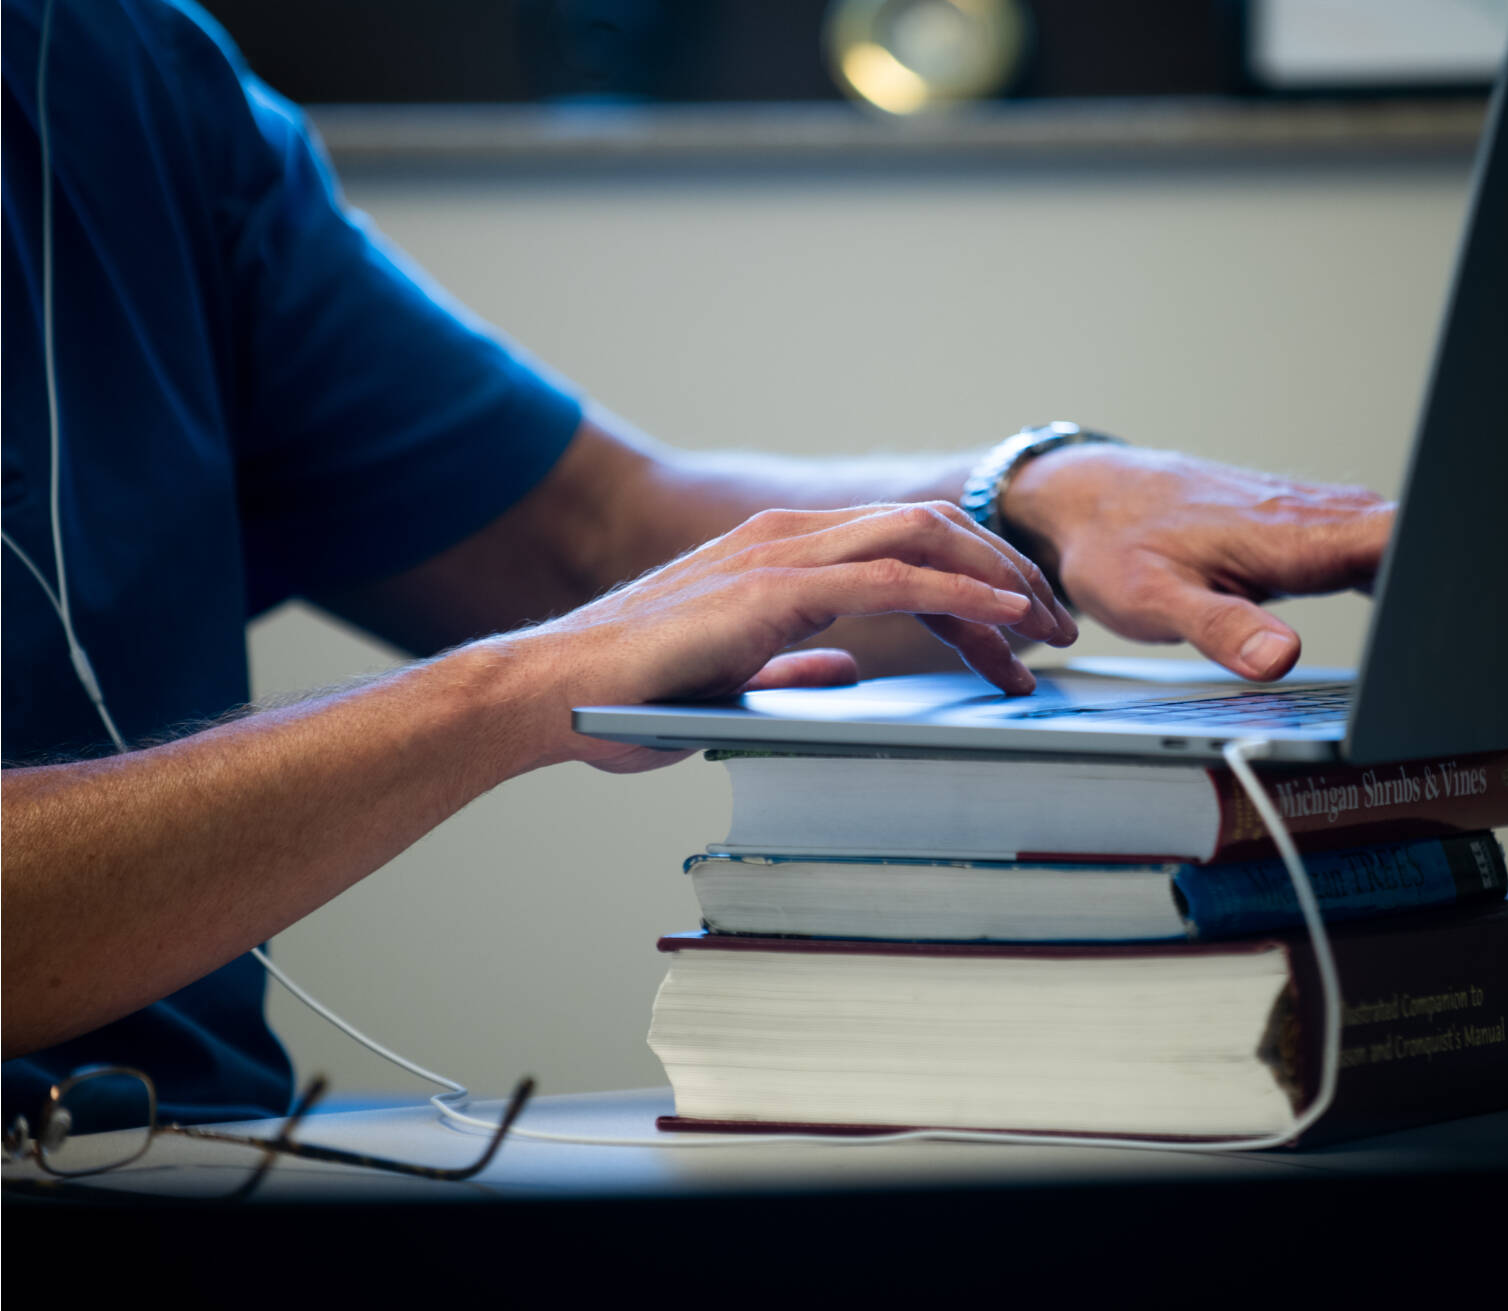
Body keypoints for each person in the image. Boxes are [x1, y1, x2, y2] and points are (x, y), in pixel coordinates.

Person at [0, 0, 1392, 1127]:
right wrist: (511, 694)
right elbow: (580, 624)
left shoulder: (123, 70)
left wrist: (1039, 503)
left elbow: (592, 536)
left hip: (179, 1154)